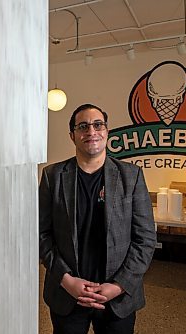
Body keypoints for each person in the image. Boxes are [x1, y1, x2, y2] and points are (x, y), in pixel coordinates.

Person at [39, 103, 156, 334]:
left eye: (97, 124)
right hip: (68, 295)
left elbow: (145, 238)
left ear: (106, 131)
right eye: (83, 126)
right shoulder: (53, 176)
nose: (91, 131)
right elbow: (41, 234)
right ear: (73, 135)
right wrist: (65, 279)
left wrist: (119, 285)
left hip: (117, 297)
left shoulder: (130, 176)